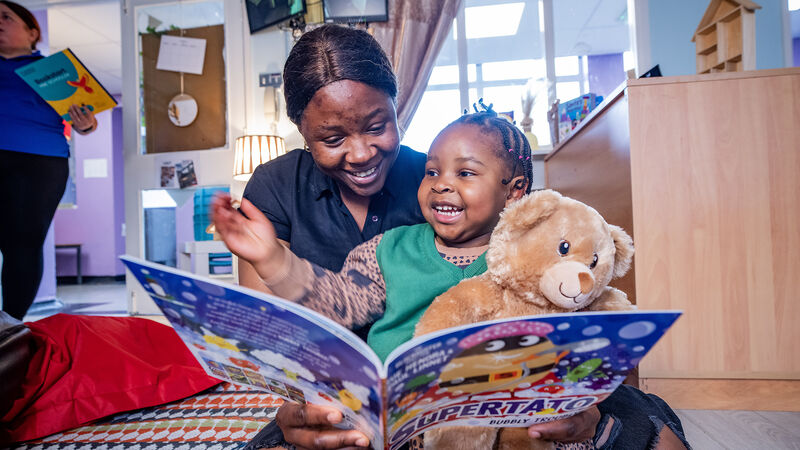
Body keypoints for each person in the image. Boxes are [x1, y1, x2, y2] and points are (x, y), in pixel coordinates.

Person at [228, 24, 619, 450]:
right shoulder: (280, 187)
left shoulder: (438, 180)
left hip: (499, 393)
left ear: (397, 108)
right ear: (303, 132)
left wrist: (583, 397)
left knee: (637, 422)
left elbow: (558, 275)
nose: (360, 154)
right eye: (333, 138)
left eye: (377, 126)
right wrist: (271, 261)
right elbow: (284, 330)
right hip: (349, 400)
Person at [0, 0, 98, 321]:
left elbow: (87, 119)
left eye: (5, 17)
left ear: (32, 32)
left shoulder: (54, 73)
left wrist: (85, 124)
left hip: (40, 163)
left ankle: (11, 322)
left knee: (24, 243)